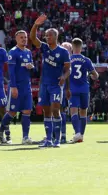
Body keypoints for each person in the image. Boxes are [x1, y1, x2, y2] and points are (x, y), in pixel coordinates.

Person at [30, 15, 71, 148]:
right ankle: (48, 140)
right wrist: (36, 25)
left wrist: (64, 77)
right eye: (46, 36)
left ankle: (57, 140)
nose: (47, 38)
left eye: (49, 36)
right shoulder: (44, 48)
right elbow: (32, 38)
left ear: (56, 37)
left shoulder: (63, 52)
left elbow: (68, 70)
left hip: (56, 85)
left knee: (55, 110)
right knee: (46, 112)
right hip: (44, 85)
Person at [0, 30, 34, 144]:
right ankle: (0, 132)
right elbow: (11, 71)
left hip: (27, 86)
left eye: (25, 37)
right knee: (12, 112)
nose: (24, 39)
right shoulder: (13, 52)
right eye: (21, 37)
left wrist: (31, 66)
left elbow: (32, 69)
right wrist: (13, 87)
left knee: (27, 111)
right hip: (16, 86)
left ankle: (25, 137)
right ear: (16, 39)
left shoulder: (28, 52)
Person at [68, 38, 98, 143]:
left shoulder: (69, 59)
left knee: (73, 111)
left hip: (72, 89)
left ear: (72, 47)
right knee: (83, 112)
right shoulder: (86, 60)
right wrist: (91, 75)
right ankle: (81, 135)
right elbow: (96, 75)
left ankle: (77, 133)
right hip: (84, 89)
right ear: (81, 48)